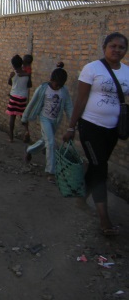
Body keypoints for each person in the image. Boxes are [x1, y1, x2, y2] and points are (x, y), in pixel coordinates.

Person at [63, 32, 129, 237]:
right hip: (91, 127)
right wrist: (71, 127)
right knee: (101, 168)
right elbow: (80, 100)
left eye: (121, 47)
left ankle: (82, 198)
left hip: (112, 129)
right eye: (113, 46)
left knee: (96, 165)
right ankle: (104, 219)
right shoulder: (92, 68)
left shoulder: (127, 72)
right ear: (104, 47)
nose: (117, 50)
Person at [21, 62, 73, 183]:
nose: (58, 87)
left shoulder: (64, 91)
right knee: (51, 143)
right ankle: (51, 171)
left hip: (56, 120)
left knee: (45, 140)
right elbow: (32, 103)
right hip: (45, 119)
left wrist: (73, 123)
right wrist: (25, 118)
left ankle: (29, 150)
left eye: (60, 85)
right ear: (51, 80)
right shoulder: (43, 88)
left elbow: (69, 106)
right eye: (56, 84)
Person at [6, 54, 32, 142]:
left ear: (13, 65)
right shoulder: (26, 74)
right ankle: (27, 131)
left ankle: (11, 137)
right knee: (23, 116)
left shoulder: (13, 74)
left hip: (13, 96)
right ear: (21, 64)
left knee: (12, 117)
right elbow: (29, 85)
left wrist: (10, 77)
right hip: (23, 97)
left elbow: (10, 83)